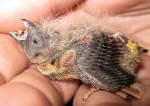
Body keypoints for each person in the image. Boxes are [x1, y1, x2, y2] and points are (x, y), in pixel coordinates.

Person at [0, 0, 150, 106]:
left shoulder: (72, 55)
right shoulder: (58, 57)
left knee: (83, 64)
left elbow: (87, 50)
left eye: (35, 42)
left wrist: (111, 82)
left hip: (127, 53)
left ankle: (123, 82)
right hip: (119, 47)